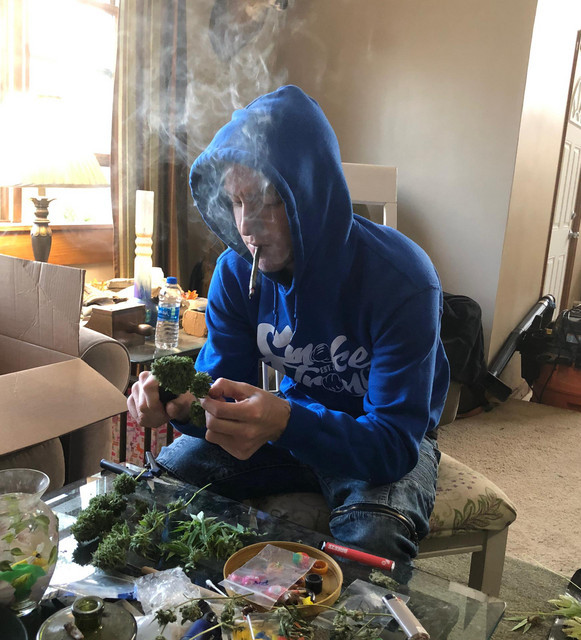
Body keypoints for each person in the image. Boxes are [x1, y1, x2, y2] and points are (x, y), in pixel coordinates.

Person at [128, 85, 450, 583]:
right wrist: (179, 404)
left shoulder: (404, 280)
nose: (247, 225)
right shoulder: (235, 272)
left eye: (267, 201)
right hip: (289, 421)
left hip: (382, 438)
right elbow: (220, 396)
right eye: (236, 201)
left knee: (374, 540)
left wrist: (285, 422)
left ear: (311, 194)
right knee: (158, 493)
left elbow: (392, 445)